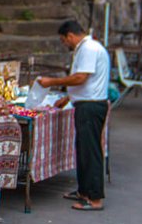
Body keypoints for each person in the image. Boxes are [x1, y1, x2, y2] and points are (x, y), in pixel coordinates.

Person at [38, 21, 110, 212]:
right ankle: (84, 191)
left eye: (64, 40)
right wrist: (68, 97)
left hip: (90, 106)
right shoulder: (87, 48)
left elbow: (80, 77)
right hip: (86, 103)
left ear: (70, 35)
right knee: (83, 149)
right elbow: (88, 82)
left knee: (90, 151)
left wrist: (51, 82)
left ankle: (94, 198)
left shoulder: (88, 49)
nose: (65, 44)